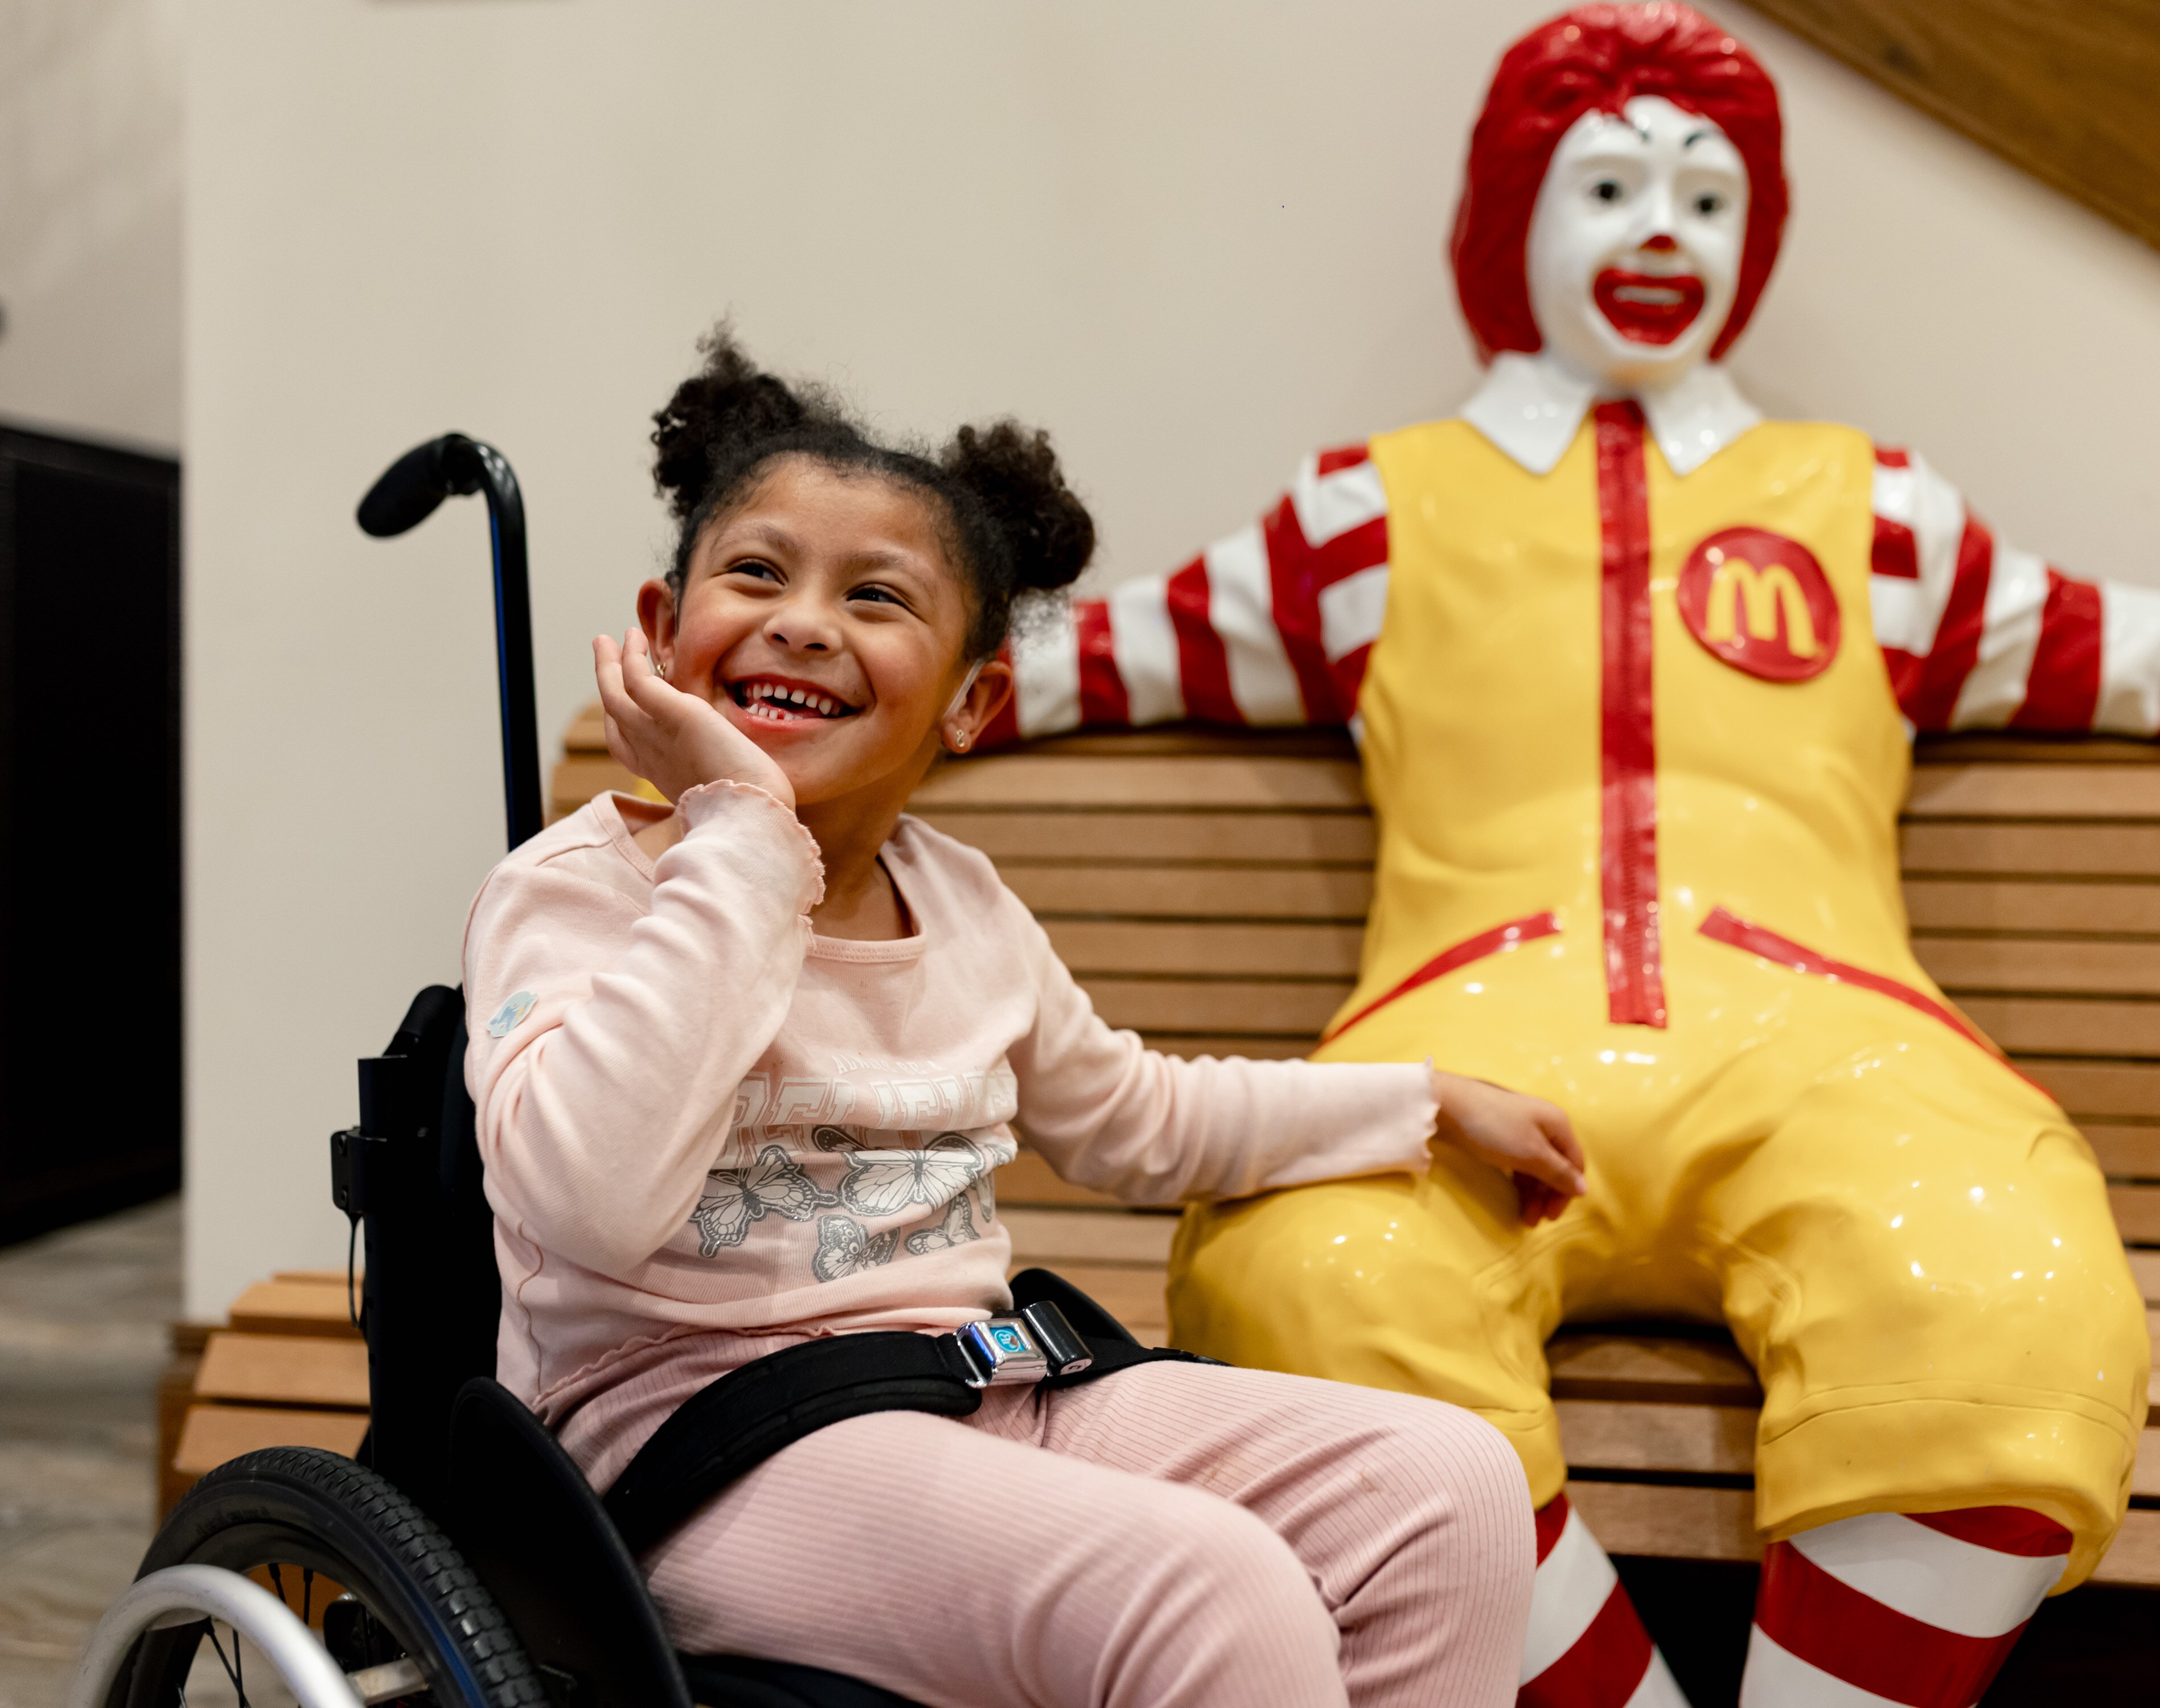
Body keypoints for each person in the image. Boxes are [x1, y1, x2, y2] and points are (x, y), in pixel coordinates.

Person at [1003, 7, 2160, 1707]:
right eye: (1606, 188)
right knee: (1299, 1271)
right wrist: (778, 688)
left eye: (1705, 196)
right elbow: (1077, 660)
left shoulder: (1875, 513)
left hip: (1840, 1046)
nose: (1660, 230)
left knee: (2005, 1279)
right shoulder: (1363, 518)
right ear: (1514, 213)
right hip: (1459, 1061)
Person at [459, 332, 1588, 1708]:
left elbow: (1144, 1120)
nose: (805, 620)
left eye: (877, 597)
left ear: (976, 698)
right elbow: (587, 1199)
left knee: (1447, 1487)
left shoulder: (966, 903)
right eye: (755, 573)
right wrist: (744, 834)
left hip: (970, 1388)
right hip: (692, 1454)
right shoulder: (577, 894)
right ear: (659, 633)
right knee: (1207, 1589)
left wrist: (1421, 1103)